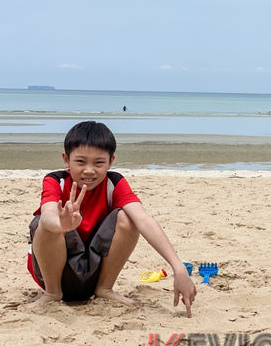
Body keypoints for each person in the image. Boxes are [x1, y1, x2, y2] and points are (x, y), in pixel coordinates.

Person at [24, 121, 197, 314]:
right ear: (66, 159)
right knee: (42, 224)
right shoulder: (56, 180)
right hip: (53, 274)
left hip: (93, 274)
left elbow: (144, 220)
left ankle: (104, 289)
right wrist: (60, 224)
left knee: (129, 218)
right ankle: (52, 293)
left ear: (111, 161)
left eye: (99, 163)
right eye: (81, 162)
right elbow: (47, 216)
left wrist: (178, 268)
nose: (89, 170)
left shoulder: (114, 183)